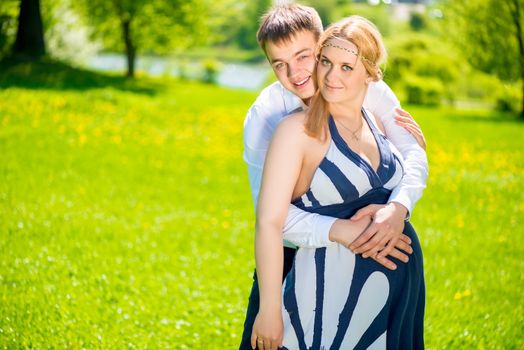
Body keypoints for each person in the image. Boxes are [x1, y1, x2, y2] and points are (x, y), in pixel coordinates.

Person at [240, 4, 428, 349]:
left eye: (304, 57)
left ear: (323, 43)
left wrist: (396, 209)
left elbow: (414, 153)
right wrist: (348, 231)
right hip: (292, 259)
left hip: (390, 281)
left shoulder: (368, 88)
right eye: (278, 64)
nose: (295, 73)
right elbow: (273, 220)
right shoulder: (267, 119)